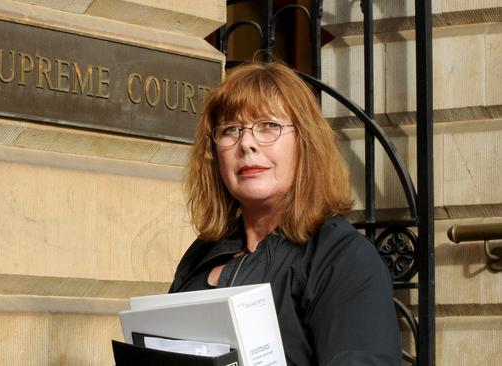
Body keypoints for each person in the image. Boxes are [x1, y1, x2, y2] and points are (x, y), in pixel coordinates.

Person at [169, 62, 401, 366]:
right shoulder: (201, 254)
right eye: (230, 130)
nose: (247, 143)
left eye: (269, 126)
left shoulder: (342, 259)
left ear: (305, 142)